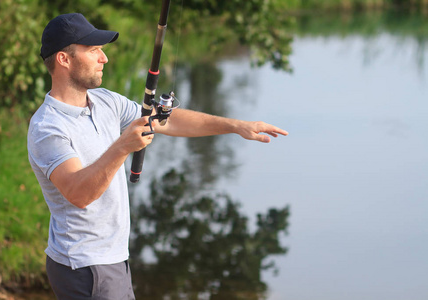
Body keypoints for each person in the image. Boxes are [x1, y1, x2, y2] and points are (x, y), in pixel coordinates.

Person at [27, 13, 288, 300]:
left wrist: (236, 126)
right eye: (93, 51)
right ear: (64, 59)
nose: (105, 58)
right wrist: (122, 146)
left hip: (110, 258)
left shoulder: (105, 101)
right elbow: (79, 193)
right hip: (85, 264)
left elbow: (168, 121)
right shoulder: (48, 128)